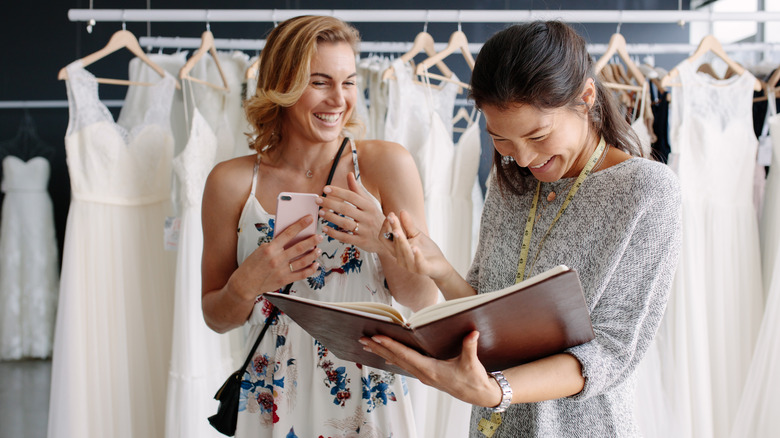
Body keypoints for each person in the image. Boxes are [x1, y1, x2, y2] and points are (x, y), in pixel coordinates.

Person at [361, 20, 682, 437]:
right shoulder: (509, 181)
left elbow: (612, 353)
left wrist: (496, 390)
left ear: (585, 98)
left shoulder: (646, 191)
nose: (525, 157)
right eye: (502, 139)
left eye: (538, 134)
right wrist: (437, 267)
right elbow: (489, 313)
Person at [200, 15, 438, 437]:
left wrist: (381, 240)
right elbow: (217, 317)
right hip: (270, 390)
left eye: (348, 82)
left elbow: (421, 296)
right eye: (320, 82)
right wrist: (248, 281)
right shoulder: (231, 182)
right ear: (282, 84)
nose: (339, 100)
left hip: (365, 388)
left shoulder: (387, 165)